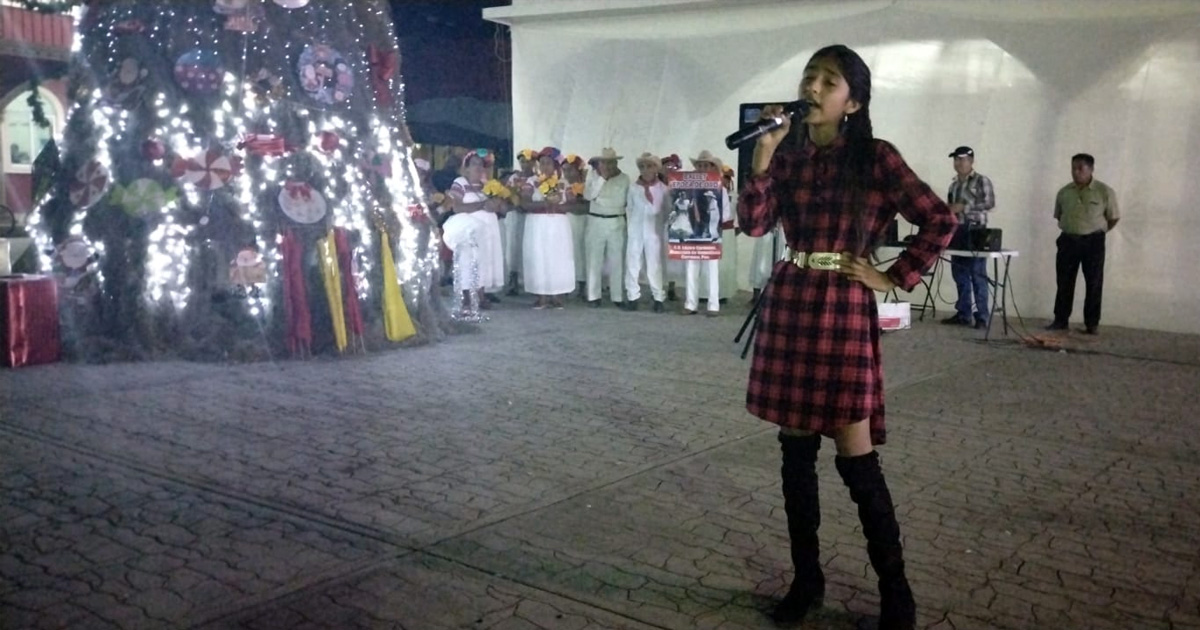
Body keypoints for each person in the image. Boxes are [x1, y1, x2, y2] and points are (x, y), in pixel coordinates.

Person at [738, 44, 956, 628]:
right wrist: (762, 157)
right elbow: (754, 224)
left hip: (841, 308)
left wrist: (894, 276)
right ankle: (806, 582)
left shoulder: (876, 158)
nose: (812, 87)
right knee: (795, 456)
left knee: (856, 458)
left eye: (827, 81)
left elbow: (940, 217)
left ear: (852, 101)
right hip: (791, 304)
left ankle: (896, 592)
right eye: (809, 76)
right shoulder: (785, 155)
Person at [1047, 153, 1119, 334]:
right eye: (1073, 168)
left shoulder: (1104, 191)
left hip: (1093, 242)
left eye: (1081, 168)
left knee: (1094, 282)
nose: (1076, 172)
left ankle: (1092, 323)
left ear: (1091, 169)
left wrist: (1097, 230)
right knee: (1064, 281)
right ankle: (1060, 319)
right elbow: (1059, 216)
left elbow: (1113, 218)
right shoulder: (1064, 192)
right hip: (1068, 240)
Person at [444, 149, 507, 310]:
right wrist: (482, 205)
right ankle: (466, 297)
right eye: (474, 164)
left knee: (484, 261)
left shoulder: (489, 185)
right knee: (468, 261)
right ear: (466, 167)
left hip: (488, 231)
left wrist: (498, 204)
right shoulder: (460, 183)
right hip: (468, 231)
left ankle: (480, 295)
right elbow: (456, 207)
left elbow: (504, 209)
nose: (479, 168)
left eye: (482, 165)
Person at [941, 146, 996, 329]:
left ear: (971, 161)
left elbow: (989, 203)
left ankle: (982, 316)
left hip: (976, 230)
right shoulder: (953, 185)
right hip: (958, 230)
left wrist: (963, 207)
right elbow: (950, 208)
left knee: (977, 274)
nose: (958, 163)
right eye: (956, 159)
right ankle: (963, 313)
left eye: (962, 159)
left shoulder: (982, 181)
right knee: (960, 274)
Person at [520, 147, 576, 309]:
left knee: (558, 258)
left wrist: (559, 203)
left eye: (548, 163)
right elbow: (524, 203)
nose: (545, 167)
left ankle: (558, 295)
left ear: (556, 166)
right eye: (542, 163)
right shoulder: (531, 182)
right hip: (537, 225)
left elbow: (572, 205)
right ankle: (541, 296)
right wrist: (544, 203)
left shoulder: (564, 184)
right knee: (539, 257)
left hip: (558, 225)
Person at [582, 147, 631, 308]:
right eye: (604, 162)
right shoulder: (593, 176)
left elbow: (620, 201)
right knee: (593, 259)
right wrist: (602, 178)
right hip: (595, 221)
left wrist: (601, 200)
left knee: (617, 260)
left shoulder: (624, 179)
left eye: (610, 162)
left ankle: (617, 296)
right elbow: (589, 196)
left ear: (616, 162)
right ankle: (593, 296)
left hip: (616, 221)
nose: (607, 166)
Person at [684, 150, 728, 316]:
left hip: (711, 230)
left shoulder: (719, 188)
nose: (702, 168)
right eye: (699, 165)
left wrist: (715, 219)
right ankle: (690, 303)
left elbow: (726, 213)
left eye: (705, 165)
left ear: (711, 167)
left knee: (711, 268)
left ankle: (713, 304)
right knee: (691, 266)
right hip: (694, 228)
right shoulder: (688, 187)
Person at [625, 152, 669, 312]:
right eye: (642, 166)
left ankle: (658, 296)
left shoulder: (664, 189)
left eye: (649, 166)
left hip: (654, 231)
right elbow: (629, 208)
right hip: (635, 229)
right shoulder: (633, 188)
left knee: (654, 264)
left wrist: (660, 226)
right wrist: (631, 226)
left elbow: (666, 211)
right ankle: (632, 295)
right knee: (632, 262)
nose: (645, 170)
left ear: (656, 169)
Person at [504, 149, 538, 296]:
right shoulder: (513, 178)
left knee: (530, 247)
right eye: (523, 161)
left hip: (531, 216)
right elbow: (505, 194)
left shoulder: (539, 179)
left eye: (529, 161)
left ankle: (532, 281)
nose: (525, 164)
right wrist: (515, 202)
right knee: (513, 247)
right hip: (514, 215)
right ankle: (513, 280)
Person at [562, 153, 590, 300]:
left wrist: (575, 205)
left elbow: (587, 206)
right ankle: (566, 284)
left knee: (582, 253)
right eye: (565, 170)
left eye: (570, 170)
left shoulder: (587, 186)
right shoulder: (559, 185)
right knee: (567, 253)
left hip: (584, 222)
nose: (567, 174)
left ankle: (582, 285)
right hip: (567, 222)